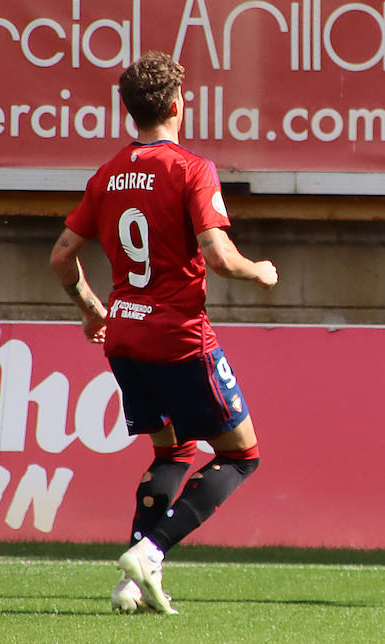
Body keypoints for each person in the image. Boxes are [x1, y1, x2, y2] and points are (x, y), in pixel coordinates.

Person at [49, 50, 278, 615]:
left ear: (127, 111)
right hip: (178, 336)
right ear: (179, 106)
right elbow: (219, 257)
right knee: (241, 455)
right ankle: (150, 551)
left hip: (125, 335)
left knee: (173, 450)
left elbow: (59, 257)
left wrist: (90, 309)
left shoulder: (106, 174)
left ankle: (130, 584)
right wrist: (260, 271)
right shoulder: (191, 168)